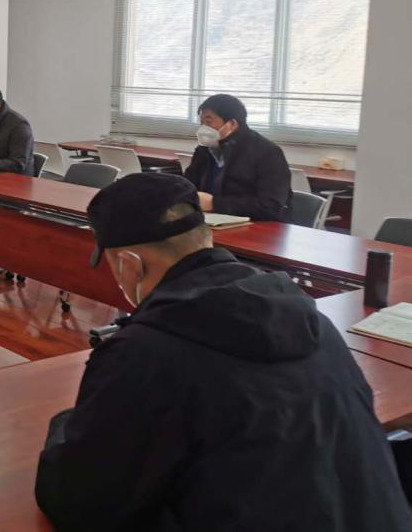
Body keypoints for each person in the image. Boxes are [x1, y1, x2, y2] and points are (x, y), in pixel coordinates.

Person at [34, 173, 412, 532]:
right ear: (207, 238)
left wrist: (66, 424)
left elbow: (78, 500)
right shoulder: (312, 319)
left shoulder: (145, 353)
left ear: (129, 265)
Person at [184, 93, 291, 221]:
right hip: (207, 220)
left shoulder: (268, 153)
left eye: (208, 122)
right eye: (201, 123)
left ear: (232, 124)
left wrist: (214, 203)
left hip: (254, 225)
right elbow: (187, 186)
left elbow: (271, 206)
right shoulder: (205, 149)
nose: (203, 128)